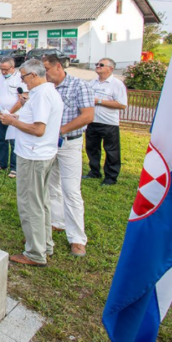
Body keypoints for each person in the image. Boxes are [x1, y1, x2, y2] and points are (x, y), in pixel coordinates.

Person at [0, 59, 64, 267]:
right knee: (41, 201)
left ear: (34, 76)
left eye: (24, 76)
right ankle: (44, 242)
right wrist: (18, 116)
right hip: (41, 154)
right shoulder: (44, 93)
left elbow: (38, 129)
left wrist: (13, 121)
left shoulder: (43, 95)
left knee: (30, 203)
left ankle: (35, 252)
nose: (22, 81)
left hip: (34, 155)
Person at [41, 54, 94, 257]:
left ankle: (77, 238)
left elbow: (88, 115)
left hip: (69, 143)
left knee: (71, 190)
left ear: (57, 67)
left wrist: (60, 130)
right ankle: (57, 221)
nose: (44, 73)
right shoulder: (47, 87)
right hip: (49, 143)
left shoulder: (79, 86)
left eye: (46, 69)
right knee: (51, 185)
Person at [85, 58, 127, 186]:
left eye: (101, 65)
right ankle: (94, 171)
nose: (98, 66)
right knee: (92, 148)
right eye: (97, 64)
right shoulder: (92, 83)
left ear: (110, 68)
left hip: (109, 123)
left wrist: (99, 101)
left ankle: (111, 177)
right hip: (92, 121)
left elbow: (122, 104)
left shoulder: (116, 84)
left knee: (111, 151)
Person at [0, 57, 28, 177]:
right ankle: (2, 163)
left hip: (13, 116)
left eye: (5, 69)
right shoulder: (0, 78)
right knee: (1, 140)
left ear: (12, 67)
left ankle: (14, 167)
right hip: (1, 115)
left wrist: (9, 113)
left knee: (14, 141)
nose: (3, 72)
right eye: (1, 69)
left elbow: (21, 99)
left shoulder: (20, 79)